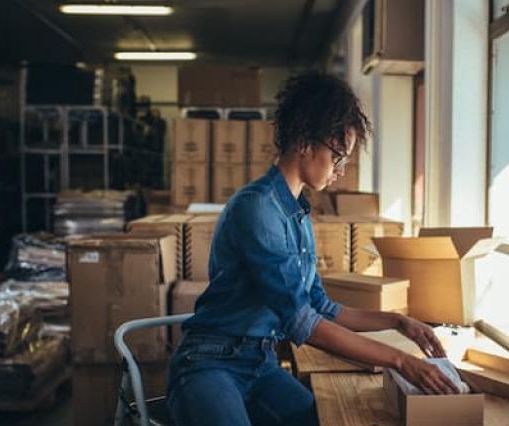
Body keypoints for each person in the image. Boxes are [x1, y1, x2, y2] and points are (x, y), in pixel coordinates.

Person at [167, 72, 459, 426]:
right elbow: (300, 322)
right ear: (306, 143)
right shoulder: (257, 208)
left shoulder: (299, 212)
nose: (340, 171)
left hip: (260, 364)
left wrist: (399, 322)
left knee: (322, 418)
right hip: (210, 363)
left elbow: (320, 306)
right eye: (338, 157)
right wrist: (399, 360)